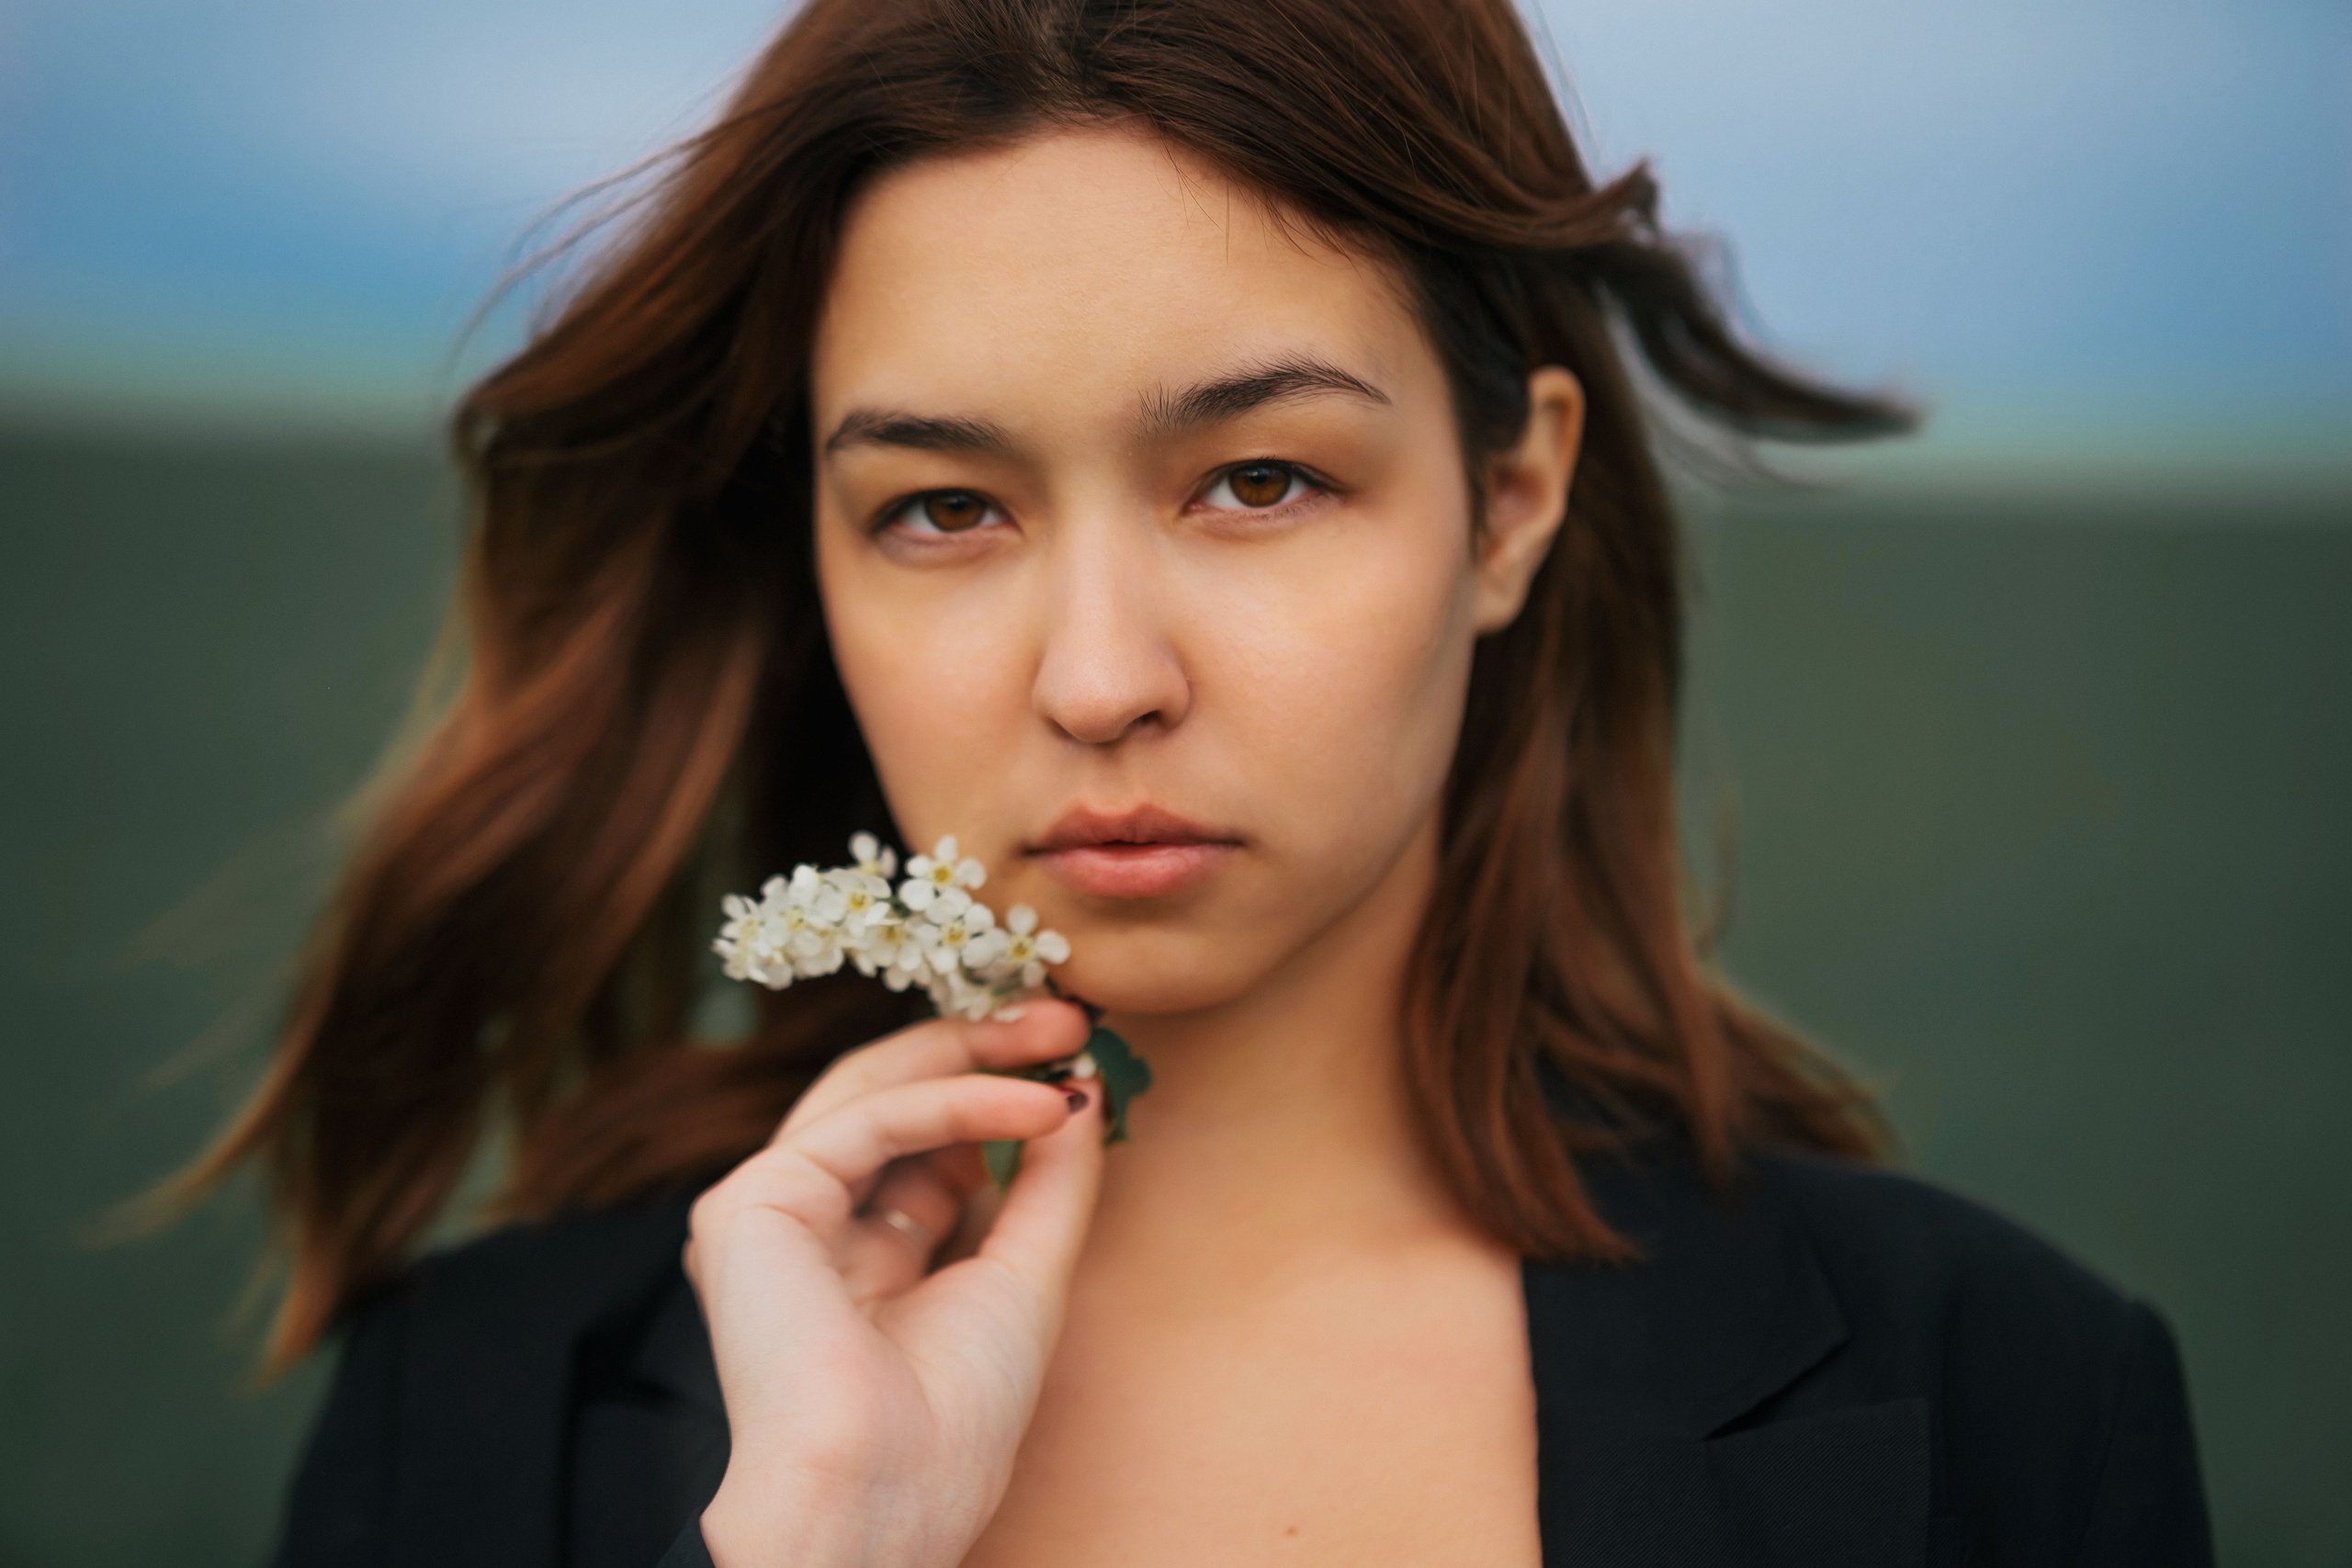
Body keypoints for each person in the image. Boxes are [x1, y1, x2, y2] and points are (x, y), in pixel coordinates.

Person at [181, 0, 2211, 1562]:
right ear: (809, 560)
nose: (1097, 677)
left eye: (1259, 479)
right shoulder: (472, 1412)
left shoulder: (1995, 1406)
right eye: (943, 506)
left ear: (1508, 503)